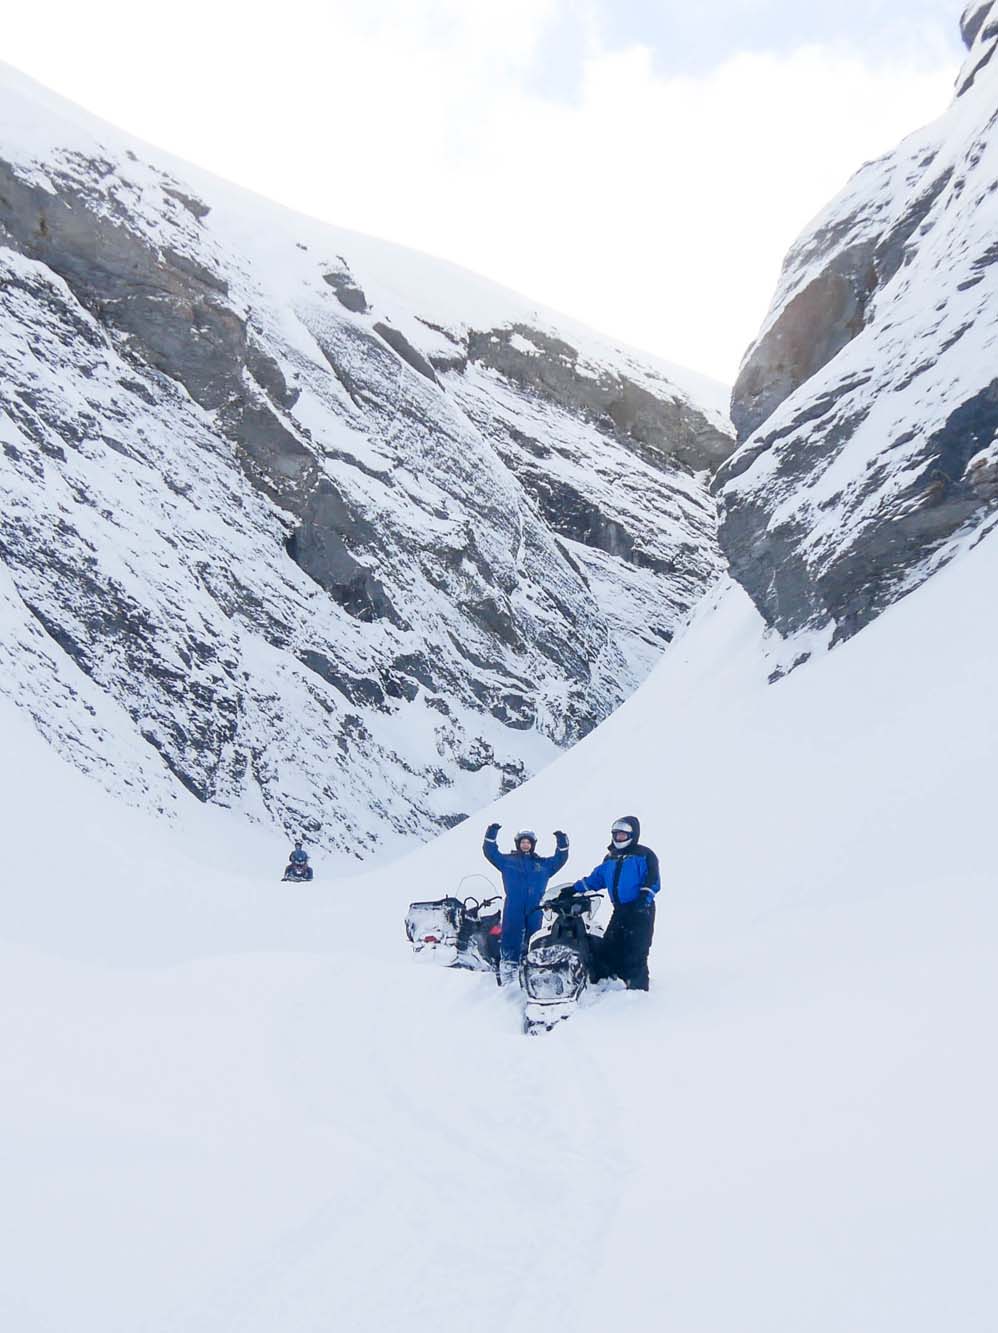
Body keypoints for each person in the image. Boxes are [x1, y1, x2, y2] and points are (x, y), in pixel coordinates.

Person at [570, 816, 658, 990]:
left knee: (636, 949)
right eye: (616, 835)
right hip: (620, 910)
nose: (619, 838)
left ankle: (637, 989)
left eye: (623, 835)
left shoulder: (644, 855)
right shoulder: (611, 857)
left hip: (641, 909)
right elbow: (597, 878)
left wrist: (643, 899)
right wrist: (574, 889)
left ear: (633, 835)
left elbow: (653, 880)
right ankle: (607, 981)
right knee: (610, 945)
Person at [483, 824, 569, 983]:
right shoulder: (507, 861)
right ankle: (509, 968)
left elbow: (560, 859)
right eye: (522, 842)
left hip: (535, 907)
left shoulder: (542, 864)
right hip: (513, 906)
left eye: (528, 842)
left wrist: (562, 842)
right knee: (510, 935)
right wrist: (491, 833)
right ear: (518, 844)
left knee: (534, 937)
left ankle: (532, 967)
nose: (525, 845)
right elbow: (490, 852)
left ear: (533, 844)